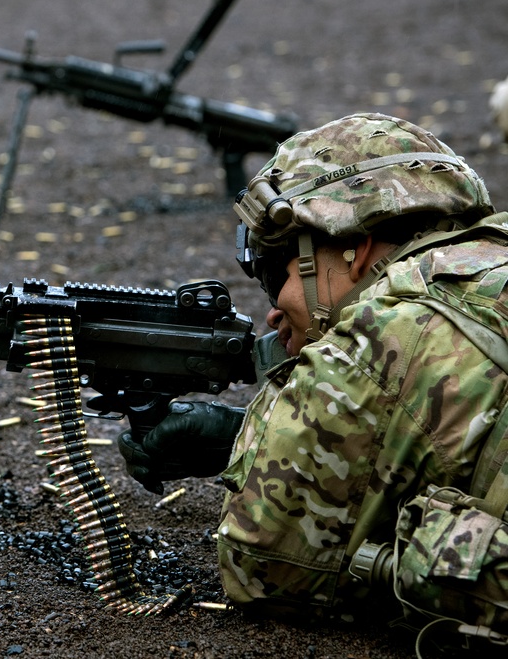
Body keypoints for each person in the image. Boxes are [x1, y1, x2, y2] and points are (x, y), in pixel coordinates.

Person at [119, 113, 508, 640]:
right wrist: (239, 436)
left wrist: (258, 441)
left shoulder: (390, 334)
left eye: (278, 273)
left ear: (357, 248)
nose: (274, 310)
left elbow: (262, 566)